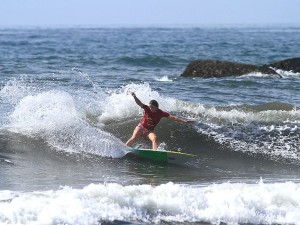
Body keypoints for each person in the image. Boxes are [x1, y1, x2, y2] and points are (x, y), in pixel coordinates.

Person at [126, 92, 193, 150]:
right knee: (134, 138)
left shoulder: (161, 113)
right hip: (141, 127)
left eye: (152, 107)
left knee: (154, 138)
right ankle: (124, 148)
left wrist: (184, 121)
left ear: (156, 107)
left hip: (148, 131)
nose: (150, 108)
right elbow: (139, 103)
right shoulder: (147, 109)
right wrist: (134, 96)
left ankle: (155, 153)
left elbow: (173, 118)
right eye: (150, 107)